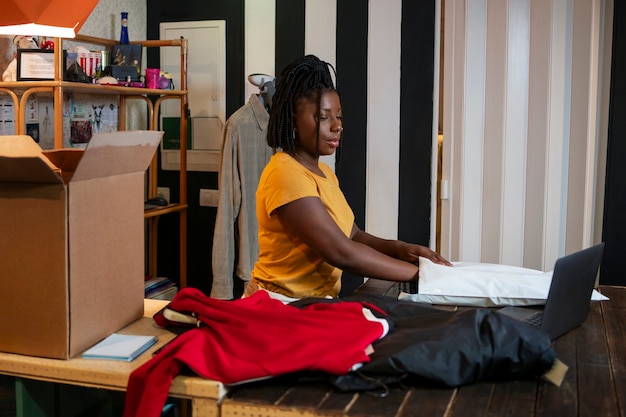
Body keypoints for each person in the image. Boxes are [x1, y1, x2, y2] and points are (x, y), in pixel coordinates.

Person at [244, 55, 451, 301]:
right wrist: (420, 275)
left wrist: (402, 250)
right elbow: (340, 251)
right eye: (323, 117)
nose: (337, 126)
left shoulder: (324, 174)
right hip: (278, 305)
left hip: (311, 303)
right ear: (293, 121)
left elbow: (352, 235)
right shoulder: (285, 172)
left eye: (338, 116)